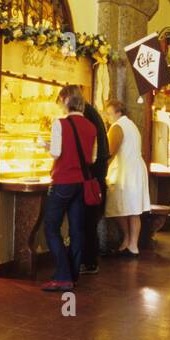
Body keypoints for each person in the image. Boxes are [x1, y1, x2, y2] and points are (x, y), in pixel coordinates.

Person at [41, 85, 97, 292]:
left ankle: (63, 277)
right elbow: (92, 158)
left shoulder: (60, 123)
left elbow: (56, 153)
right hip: (81, 183)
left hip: (63, 181)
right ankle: (73, 274)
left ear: (65, 100)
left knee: (51, 228)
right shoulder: (91, 127)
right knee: (76, 230)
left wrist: (46, 146)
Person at [67, 85, 110, 275]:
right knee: (89, 220)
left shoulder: (85, 115)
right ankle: (89, 260)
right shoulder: (92, 113)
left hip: (90, 175)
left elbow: (86, 149)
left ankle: (88, 261)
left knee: (86, 220)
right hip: (96, 173)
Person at [102, 98, 151, 255]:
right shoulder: (131, 125)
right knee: (133, 208)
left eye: (109, 114)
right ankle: (131, 244)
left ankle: (130, 242)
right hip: (135, 168)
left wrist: (101, 167)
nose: (107, 117)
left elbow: (110, 152)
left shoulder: (117, 127)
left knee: (118, 205)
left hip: (127, 171)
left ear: (118, 112)